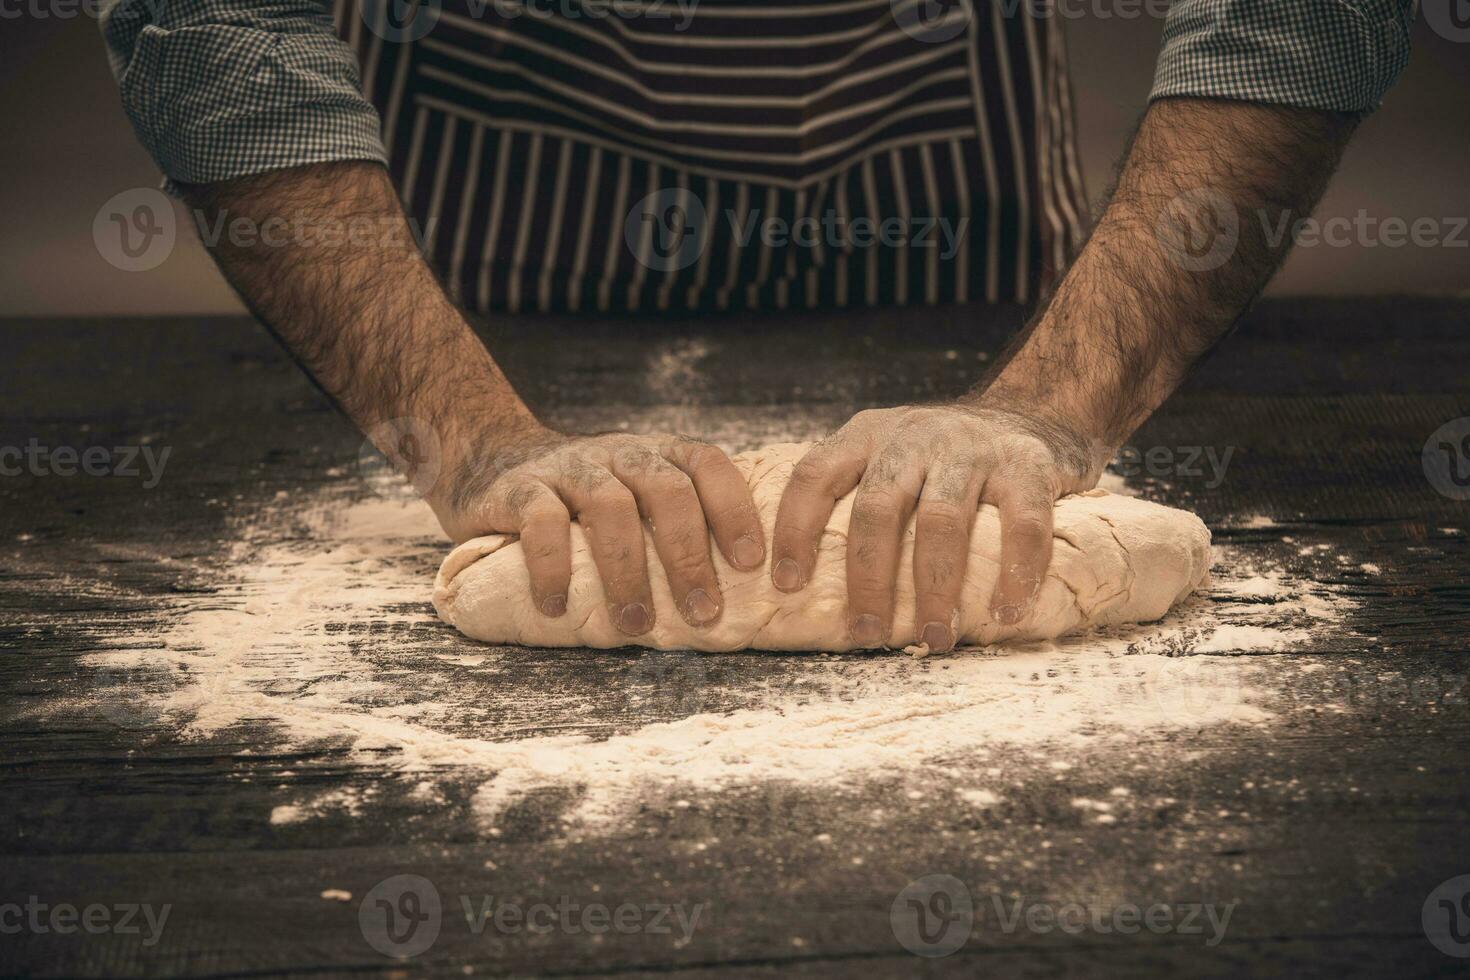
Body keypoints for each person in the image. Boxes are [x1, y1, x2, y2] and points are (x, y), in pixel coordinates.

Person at [99, 0, 1413, 651]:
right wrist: (465, 435)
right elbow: (211, 22)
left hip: (955, 226)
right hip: (478, 255)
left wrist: (1044, 404)